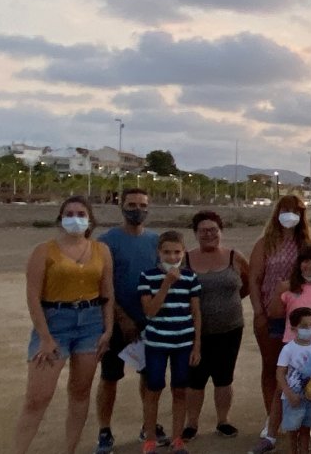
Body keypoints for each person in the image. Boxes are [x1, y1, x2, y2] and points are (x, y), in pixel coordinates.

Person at [15, 196, 114, 454]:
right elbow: (33, 297)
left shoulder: (101, 251)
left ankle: (69, 449)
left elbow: (107, 293)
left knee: (80, 393)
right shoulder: (43, 251)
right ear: (60, 219)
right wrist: (45, 337)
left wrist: (108, 329)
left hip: (90, 324)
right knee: (37, 398)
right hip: (54, 323)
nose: (75, 218)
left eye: (81, 214)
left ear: (90, 219)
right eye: (69, 214)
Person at [247, 196, 311, 454]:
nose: (290, 215)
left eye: (295, 210)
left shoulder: (307, 244)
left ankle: (299, 420)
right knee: (272, 367)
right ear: (277, 212)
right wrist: (258, 311)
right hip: (271, 315)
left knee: (300, 370)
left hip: (300, 318)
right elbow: (254, 279)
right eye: (285, 210)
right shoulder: (264, 244)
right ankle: (272, 421)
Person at [95, 188, 164, 454]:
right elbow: (103, 285)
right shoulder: (106, 242)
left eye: (143, 205)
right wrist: (121, 317)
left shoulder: (155, 241)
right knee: (110, 377)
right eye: (132, 204)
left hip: (148, 322)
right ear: (121, 206)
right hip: (114, 322)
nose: (138, 210)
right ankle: (104, 430)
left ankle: (149, 425)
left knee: (149, 376)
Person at [260, 245, 311, 454]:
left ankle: (304, 435)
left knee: (310, 389)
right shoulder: (289, 287)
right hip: (292, 345)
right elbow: (275, 313)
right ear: (299, 264)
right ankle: (271, 435)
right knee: (282, 391)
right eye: (306, 261)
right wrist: (279, 291)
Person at [182, 211, 249, 441]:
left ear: (221, 232)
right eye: (203, 231)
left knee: (224, 377)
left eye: (213, 230)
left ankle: (223, 421)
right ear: (195, 233)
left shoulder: (234, 257)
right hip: (194, 331)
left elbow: (248, 283)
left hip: (230, 329)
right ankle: (191, 423)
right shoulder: (185, 259)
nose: (209, 234)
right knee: (195, 379)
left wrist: (230, 302)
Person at [138, 231, 203, 454]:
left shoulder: (190, 278)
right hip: (156, 343)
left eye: (177, 252)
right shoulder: (147, 276)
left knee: (180, 390)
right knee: (153, 389)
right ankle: (150, 439)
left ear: (183, 253)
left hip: (183, 343)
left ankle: (177, 439)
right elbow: (150, 311)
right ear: (159, 252)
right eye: (167, 252)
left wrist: (197, 345)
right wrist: (166, 283)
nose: (172, 257)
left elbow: (196, 313)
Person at [276, 307, 311, 454]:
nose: (309, 329)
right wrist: (289, 394)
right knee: (292, 431)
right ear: (293, 328)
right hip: (293, 397)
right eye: (304, 326)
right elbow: (280, 374)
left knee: (306, 429)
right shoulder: (288, 349)